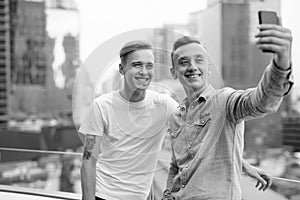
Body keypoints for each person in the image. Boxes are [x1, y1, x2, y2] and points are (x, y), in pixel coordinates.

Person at [79, 40, 274, 200]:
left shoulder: (164, 105)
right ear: (122, 69)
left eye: (149, 66)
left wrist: (244, 166)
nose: (144, 72)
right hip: (103, 194)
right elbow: (88, 161)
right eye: (137, 65)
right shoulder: (101, 106)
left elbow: (202, 135)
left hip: (140, 196)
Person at [162, 23, 293, 200]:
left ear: (208, 67)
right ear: (174, 72)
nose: (192, 66)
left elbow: (262, 102)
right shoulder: (176, 117)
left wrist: (281, 63)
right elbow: (177, 165)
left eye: (199, 60)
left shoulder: (224, 101)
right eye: (183, 62)